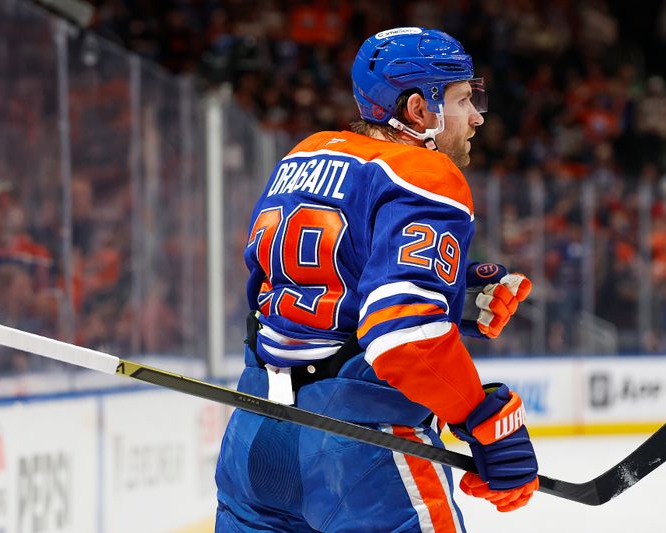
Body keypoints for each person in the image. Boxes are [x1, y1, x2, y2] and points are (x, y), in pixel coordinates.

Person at [215, 27, 539, 532]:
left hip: (251, 439)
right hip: (362, 452)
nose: (476, 117)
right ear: (418, 110)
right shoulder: (426, 172)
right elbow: (404, 341)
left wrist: (448, 294)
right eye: (461, 100)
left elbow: (287, 286)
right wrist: (481, 419)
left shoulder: (306, 154)